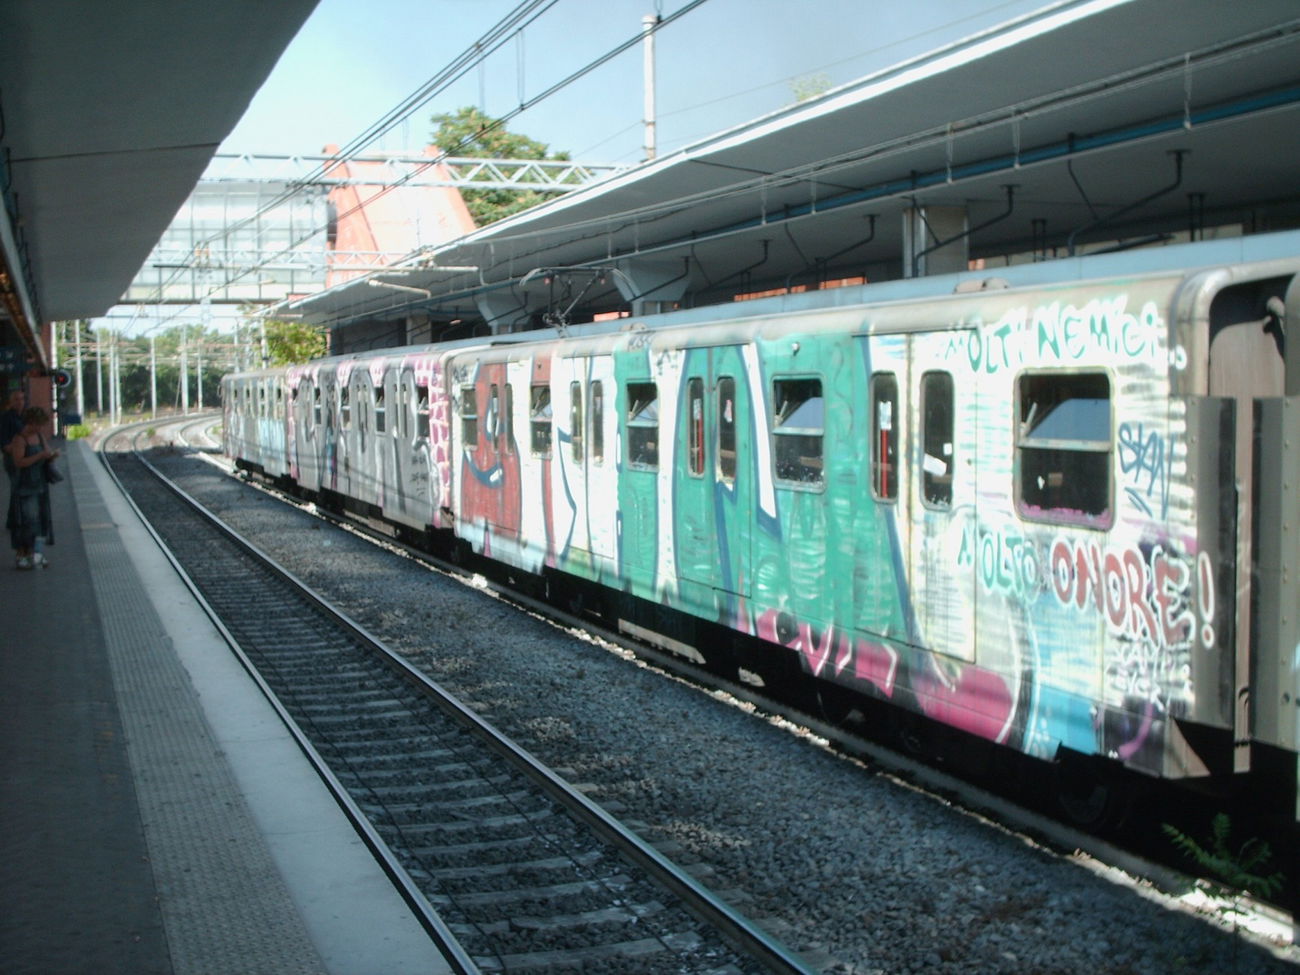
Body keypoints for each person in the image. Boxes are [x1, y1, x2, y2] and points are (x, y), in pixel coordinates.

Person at [6, 405, 58, 570]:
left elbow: (46, 454)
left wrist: (50, 456)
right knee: (26, 521)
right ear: (31, 422)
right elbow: (19, 462)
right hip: (25, 486)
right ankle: (22, 554)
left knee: (39, 520)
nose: (40, 427)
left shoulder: (40, 436)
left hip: (40, 483)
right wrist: (39, 456)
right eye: (38, 424)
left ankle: (35, 553)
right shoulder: (19, 439)